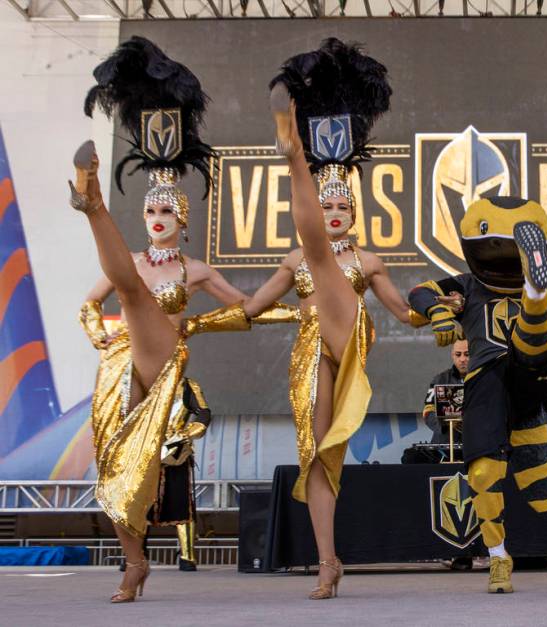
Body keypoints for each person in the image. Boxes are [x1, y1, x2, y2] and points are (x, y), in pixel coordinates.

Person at [72, 37, 269, 602]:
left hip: (163, 360)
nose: (157, 219)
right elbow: (88, 306)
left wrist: (203, 325)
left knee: (133, 292)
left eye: (166, 212)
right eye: (151, 210)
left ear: (182, 220)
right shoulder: (131, 261)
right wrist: (97, 333)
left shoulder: (197, 270)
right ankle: (133, 562)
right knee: (114, 464)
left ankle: (93, 207)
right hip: (120, 359)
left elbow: (243, 307)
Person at [408, 195, 547, 593]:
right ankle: (498, 558)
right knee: (482, 473)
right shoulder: (466, 285)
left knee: (530, 347)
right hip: (486, 384)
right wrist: (440, 312)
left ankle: (534, 298)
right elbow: (419, 293)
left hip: (534, 371)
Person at [266, 38, 401, 600]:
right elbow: (251, 307)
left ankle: (294, 152)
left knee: (319, 257)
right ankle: (328, 561)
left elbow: (401, 309)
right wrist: (196, 326)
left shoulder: (367, 260)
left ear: (353, 210)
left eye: (342, 206)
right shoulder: (294, 261)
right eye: (327, 207)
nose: (336, 212)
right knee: (317, 456)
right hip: (311, 345)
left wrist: (446, 310)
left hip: (349, 337)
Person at [422, 339, 469, 445]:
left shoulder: (484, 380)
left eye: (467, 354)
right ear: (452, 355)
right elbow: (427, 412)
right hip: (445, 442)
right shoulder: (440, 379)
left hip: (478, 444)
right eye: (458, 354)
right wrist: (446, 424)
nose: (462, 359)